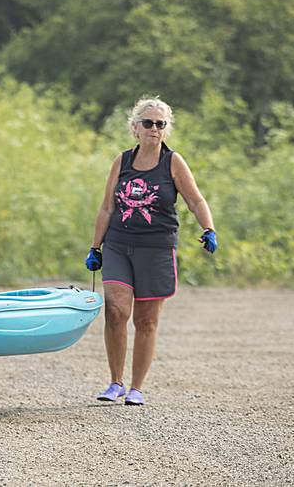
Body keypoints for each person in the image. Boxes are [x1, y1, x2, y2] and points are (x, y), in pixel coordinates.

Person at [85, 97, 217, 406]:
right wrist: (95, 246)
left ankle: (136, 387)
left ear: (165, 130)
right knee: (116, 311)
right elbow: (107, 207)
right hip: (118, 244)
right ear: (135, 128)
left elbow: (195, 200)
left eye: (160, 124)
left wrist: (208, 228)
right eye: (148, 123)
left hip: (156, 248)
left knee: (146, 321)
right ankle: (115, 382)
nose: (154, 129)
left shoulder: (173, 162)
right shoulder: (123, 161)